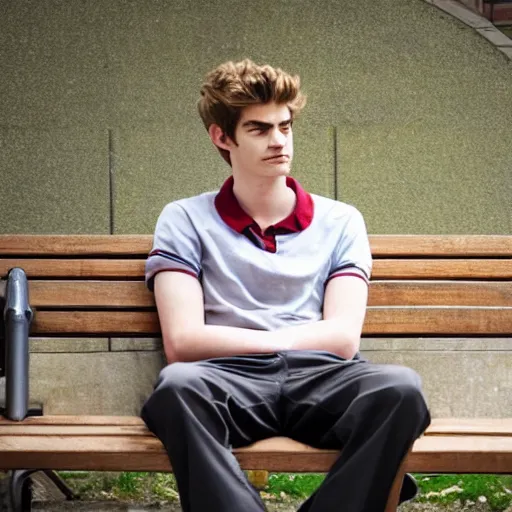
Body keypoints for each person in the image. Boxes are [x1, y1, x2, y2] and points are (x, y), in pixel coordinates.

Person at [141, 59, 430, 512]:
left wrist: (267, 340)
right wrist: (279, 341)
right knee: (177, 389)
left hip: (321, 379)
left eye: (285, 126)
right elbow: (182, 342)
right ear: (222, 137)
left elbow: (340, 338)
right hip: (228, 380)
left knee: (400, 389)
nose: (278, 141)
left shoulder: (341, 220)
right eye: (258, 129)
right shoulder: (184, 218)